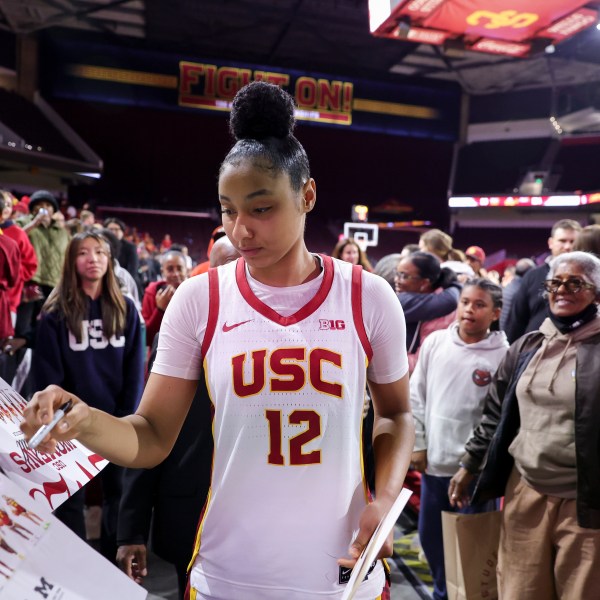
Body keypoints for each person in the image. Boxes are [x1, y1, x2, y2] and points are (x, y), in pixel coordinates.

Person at [21, 81, 414, 600]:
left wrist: (384, 502)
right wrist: (83, 418)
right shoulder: (199, 299)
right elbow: (151, 435)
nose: (241, 229)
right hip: (224, 576)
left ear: (307, 195)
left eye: (261, 208)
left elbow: (395, 415)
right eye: (228, 210)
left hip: (343, 577)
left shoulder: (368, 296)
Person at [448, 250, 600, 598]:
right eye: (555, 282)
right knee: (520, 590)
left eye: (575, 282)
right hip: (525, 491)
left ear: (596, 291)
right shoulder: (528, 346)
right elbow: (495, 414)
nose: (562, 290)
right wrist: (469, 465)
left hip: (586, 502)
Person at [116, 241, 239, 598]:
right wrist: (131, 531)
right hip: (189, 512)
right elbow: (147, 432)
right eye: (226, 266)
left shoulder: (285, 342)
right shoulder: (184, 335)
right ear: (209, 272)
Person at [32, 231, 144, 562]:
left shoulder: (127, 310)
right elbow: (47, 377)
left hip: (115, 421)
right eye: (83, 252)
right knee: (69, 501)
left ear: (109, 261)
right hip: (69, 425)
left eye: (99, 252)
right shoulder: (54, 314)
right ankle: (76, 567)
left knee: (118, 497)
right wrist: (61, 421)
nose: (92, 258)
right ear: (71, 261)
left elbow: (134, 372)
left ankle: (112, 567)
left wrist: (126, 421)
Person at [409, 279, 508, 600]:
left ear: (495, 313)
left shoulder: (504, 355)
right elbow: (416, 396)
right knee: (432, 542)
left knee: (471, 550)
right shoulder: (436, 342)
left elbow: (498, 419)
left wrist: (475, 464)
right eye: (465, 302)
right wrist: (419, 444)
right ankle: (441, 593)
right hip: (435, 464)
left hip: (473, 473)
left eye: (479, 305)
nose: (469, 310)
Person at [504, 219, 581, 343]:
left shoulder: (587, 279)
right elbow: (517, 320)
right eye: (562, 241)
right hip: (532, 351)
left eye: (573, 241)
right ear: (551, 243)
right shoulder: (533, 276)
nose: (568, 246)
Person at [395, 251, 461, 374]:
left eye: (404, 276)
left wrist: (383, 360)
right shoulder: (442, 297)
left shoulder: (441, 311)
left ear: (424, 282)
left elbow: (422, 362)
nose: (397, 280)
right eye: (397, 273)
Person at [0, 190, 38, 330]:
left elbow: (31, 265)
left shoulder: (18, 234)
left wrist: (10, 272)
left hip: (9, 300)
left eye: (9, 204)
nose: (5, 208)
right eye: (3, 204)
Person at [142, 250, 188, 348]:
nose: (175, 274)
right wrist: (160, 310)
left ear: (187, 270)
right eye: (170, 269)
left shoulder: (196, 292)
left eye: (179, 268)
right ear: (163, 272)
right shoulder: (152, 292)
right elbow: (147, 338)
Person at [498, 257, 535, 332]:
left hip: (503, 329)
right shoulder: (520, 290)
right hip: (511, 333)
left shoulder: (510, 286)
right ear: (529, 273)